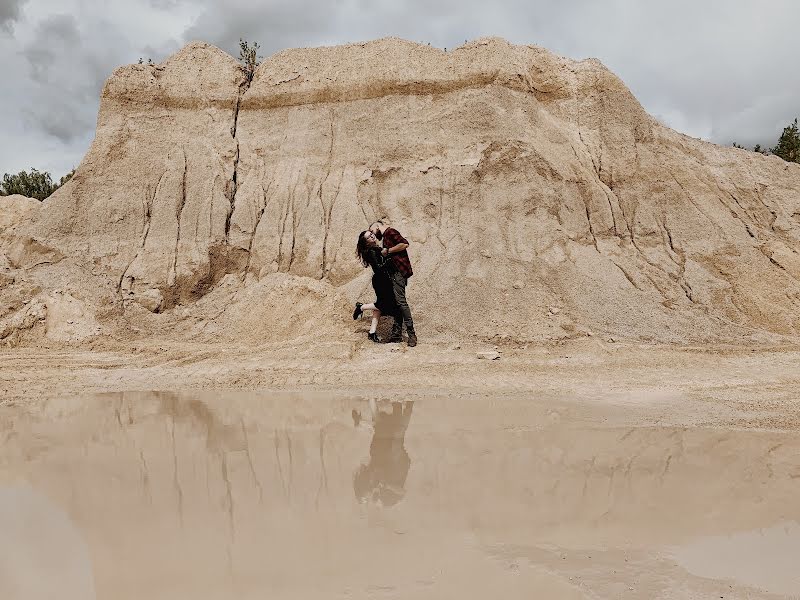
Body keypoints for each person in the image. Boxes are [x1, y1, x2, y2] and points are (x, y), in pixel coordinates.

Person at [352, 398, 414, 507]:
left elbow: (373, 468)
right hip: (396, 461)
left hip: (386, 455)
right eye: (368, 498)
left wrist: (380, 481)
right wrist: (386, 485)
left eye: (367, 497)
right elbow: (402, 492)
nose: (370, 497)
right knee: (394, 432)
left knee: (390, 430)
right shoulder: (386, 501)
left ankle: (399, 403)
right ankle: (403, 403)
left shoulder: (372, 487)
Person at [368, 220, 417, 347]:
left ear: (377, 226)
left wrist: (388, 251)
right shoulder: (385, 237)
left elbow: (405, 244)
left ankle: (411, 334)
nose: (373, 234)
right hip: (395, 273)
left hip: (398, 272)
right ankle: (396, 335)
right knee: (397, 303)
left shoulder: (390, 232)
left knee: (401, 301)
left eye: (372, 231)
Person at [353, 230, 400, 342]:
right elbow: (379, 268)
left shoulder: (376, 249)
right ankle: (361, 307)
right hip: (381, 281)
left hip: (382, 279)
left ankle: (372, 332)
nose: (372, 236)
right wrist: (389, 260)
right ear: (366, 242)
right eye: (369, 237)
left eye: (371, 234)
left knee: (379, 305)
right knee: (384, 305)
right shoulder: (372, 252)